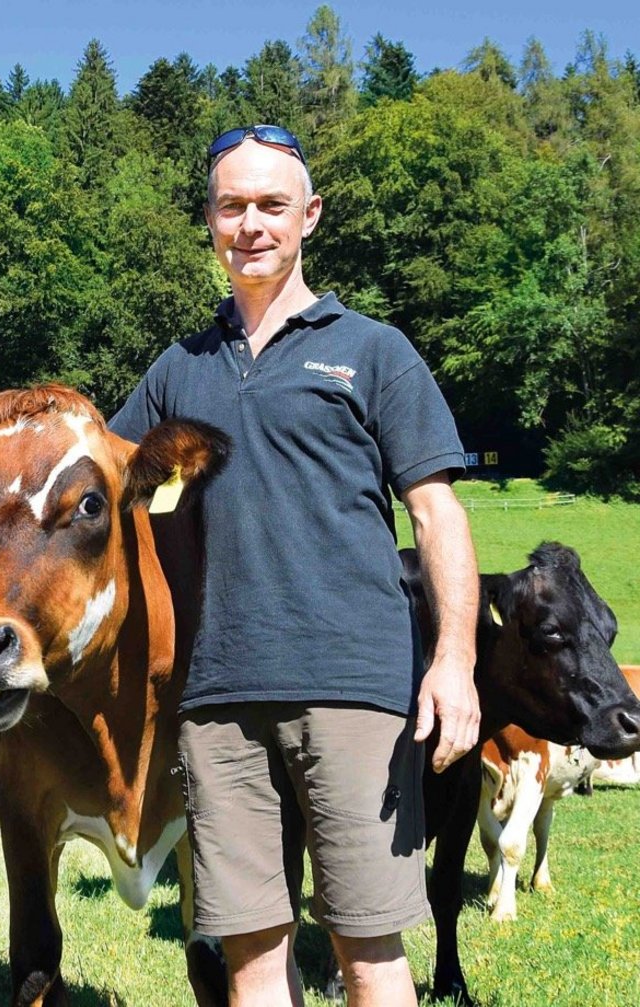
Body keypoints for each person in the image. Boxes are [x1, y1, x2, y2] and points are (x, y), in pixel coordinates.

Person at [108, 125, 481, 1006]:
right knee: (253, 958)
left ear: (309, 215)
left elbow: (437, 513)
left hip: (353, 687)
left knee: (367, 950)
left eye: (273, 205)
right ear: (209, 220)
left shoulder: (372, 350)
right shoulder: (177, 369)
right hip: (217, 698)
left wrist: (455, 659)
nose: (252, 225)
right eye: (232, 206)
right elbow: (104, 486)